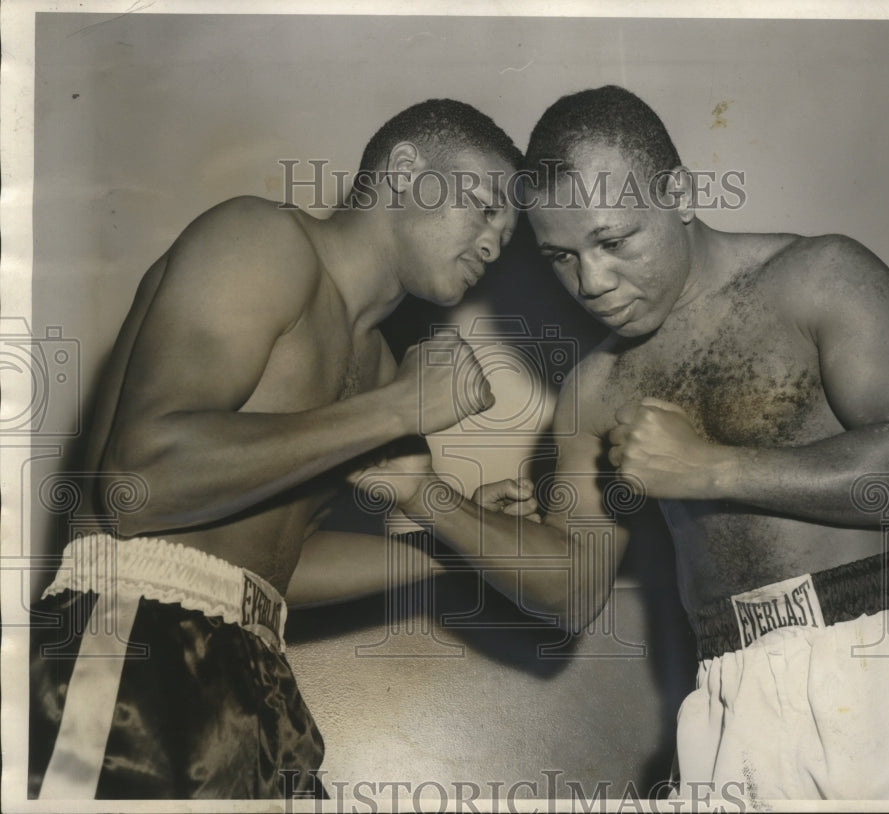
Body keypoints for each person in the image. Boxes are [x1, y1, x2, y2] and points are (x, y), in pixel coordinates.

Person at [368, 86, 889, 801]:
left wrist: (711, 468)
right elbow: (570, 590)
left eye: (614, 241)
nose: (591, 282)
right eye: (561, 257)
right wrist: (426, 496)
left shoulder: (820, 278)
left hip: (875, 656)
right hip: (726, 684)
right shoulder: (596, 387)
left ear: (679, 194)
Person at [28, 98, 529, 800]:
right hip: (126, 640)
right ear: (405, 170)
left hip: (258, 665)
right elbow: (136, 487)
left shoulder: (382, 365)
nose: (492, 242)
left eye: (506, 236)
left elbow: (271, 563)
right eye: (481, 207)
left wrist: (451, 547)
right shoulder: (261, 241)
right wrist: (389, 412)